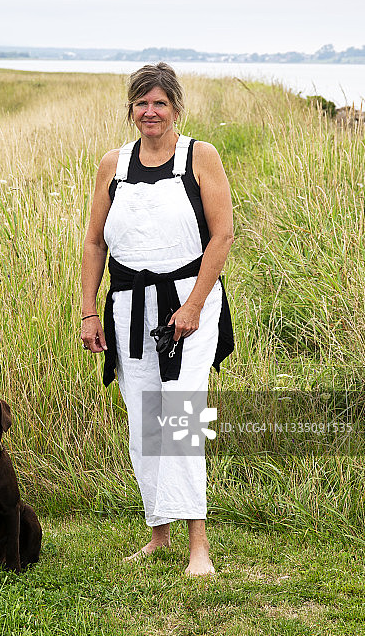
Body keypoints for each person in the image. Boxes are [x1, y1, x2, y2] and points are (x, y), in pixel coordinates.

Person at [80, 62, 234, 576]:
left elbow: (223, 236)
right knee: (145, 421)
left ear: (176, 108)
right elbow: (95, 241)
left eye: (160, 103)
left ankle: (199, 547)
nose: (150, 112)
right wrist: (87, 312)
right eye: (142, 103)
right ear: (131, 110)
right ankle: (158, 535)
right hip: (128, 306)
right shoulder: (113, 165)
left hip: (190, 302)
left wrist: (191, 307)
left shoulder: (200, 156)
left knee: (182, 418)